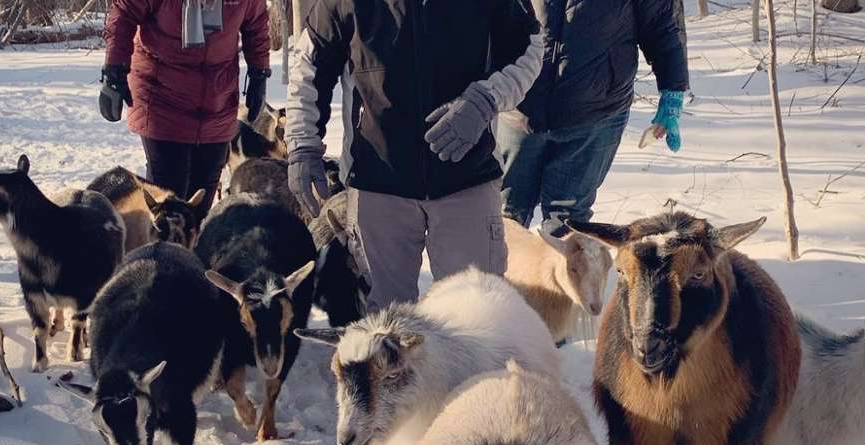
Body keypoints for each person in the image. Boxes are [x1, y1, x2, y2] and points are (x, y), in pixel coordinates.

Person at [286, 0, 542, 310]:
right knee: (385, 323)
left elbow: (528, 50)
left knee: (478, 313)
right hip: (377, 183)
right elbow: (310, 65)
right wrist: (302, 145)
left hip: (467, 178)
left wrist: (485, 99)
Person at [498, 0, 689, 229]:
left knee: (566, 224)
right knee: (504, 217)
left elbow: (662, 25)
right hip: (517, 108)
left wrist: (672, 91)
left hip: (595, 115)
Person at [101, 0, 270, 206]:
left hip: (217, 101)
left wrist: (259, 73)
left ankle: (196, 236)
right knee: (168, 197)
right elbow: (124, 13)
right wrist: (114, 71)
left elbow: (256, 24)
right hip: (161, 97)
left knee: (201, 199)